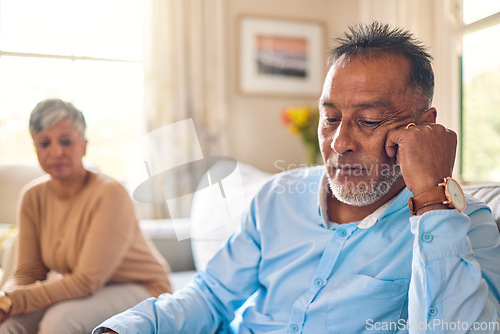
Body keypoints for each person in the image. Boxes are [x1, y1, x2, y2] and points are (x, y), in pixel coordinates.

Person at [95, 22, 500, 334]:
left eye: (370, 121)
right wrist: (126, 327)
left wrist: (431, 199)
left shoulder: (466, 226)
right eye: (330, 119)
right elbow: (212, 296)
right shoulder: (277, 195)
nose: (340, 142)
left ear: (424, 127)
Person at [0, 98, 172, 333]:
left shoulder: (109, 193)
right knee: (11, 323)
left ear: (84, 145)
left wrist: (13, 301)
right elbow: (28, 273)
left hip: (141, 286)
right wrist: (6, 301)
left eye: (66, 141)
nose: (56, 152)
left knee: (59, 322)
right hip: (88, 288)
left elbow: (86, 281)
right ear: (35, 147)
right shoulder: (32, 196)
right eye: (44, 143)